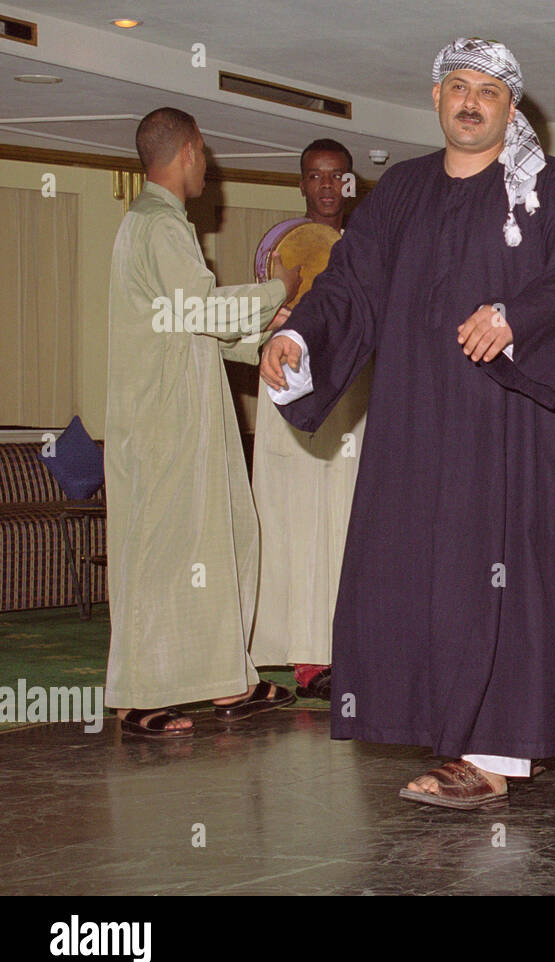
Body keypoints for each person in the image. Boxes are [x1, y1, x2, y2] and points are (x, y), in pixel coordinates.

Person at [260, 38, 555, 808]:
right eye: (457, 86)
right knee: (421, 573)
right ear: (437, 98)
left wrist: (517, 318)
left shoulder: (543, 187)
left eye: (488, 89)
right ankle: (450, 734)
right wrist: (299, 335)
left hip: (508, 422)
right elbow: (351, 282)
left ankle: (493, 755)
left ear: (512, 106)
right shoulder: (404, 190)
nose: (471, 100)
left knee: (501, 574)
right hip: (417, 420)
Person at [105, 107, 300, 738]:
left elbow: (195, 330)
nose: (208, 164)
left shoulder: (160, 225)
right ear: (188, 150)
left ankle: (227, 682)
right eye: (204, 151)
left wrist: (265, 339)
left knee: (219, 544)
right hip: (163, 423)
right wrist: (276, 288)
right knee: (163, 555)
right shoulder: (159, 227)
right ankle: (136, 697)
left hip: (182, 415)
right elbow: (203, 311)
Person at [250, 139, 370, 701]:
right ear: (301, 184)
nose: (327, 186)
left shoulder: (369, 247)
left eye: (337, 176)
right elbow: (254, 325)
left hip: (352, 397)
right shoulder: (282, 253)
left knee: (349, 524)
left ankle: (352, 648)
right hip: (290, 396)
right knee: (297, 526)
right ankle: (305, 660)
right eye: (316, 176)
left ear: (350, 184)